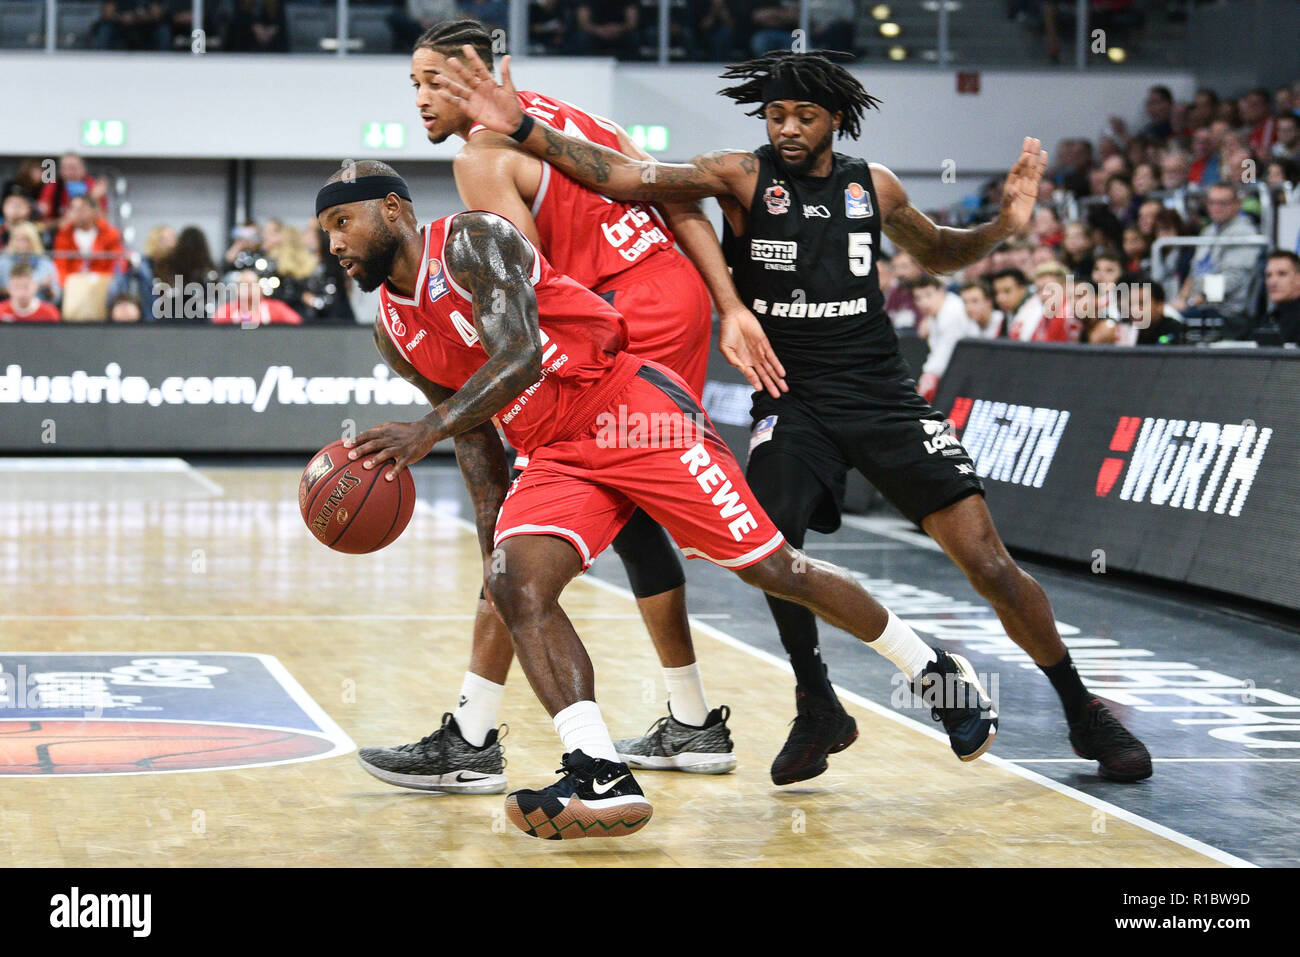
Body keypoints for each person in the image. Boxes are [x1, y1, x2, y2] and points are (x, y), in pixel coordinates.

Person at [437, 46, 1153, 781]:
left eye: (803, 116)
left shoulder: (873, 186)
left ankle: (1081, 707)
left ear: (836, 120)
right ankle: (817, 701)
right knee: (770, 550)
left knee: (990, 564)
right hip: (792, 398)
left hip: (882, 398)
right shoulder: (738, 175)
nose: (785, 128)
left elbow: (938, 253)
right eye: (775, 114)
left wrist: (1003, 225)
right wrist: (521, 127)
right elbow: (622, 176)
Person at [318, 163, 997, 838]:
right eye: (325, 232)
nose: (335, 244)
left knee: (774, 569)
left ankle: (934, 672)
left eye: (343, 222)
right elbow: (472, 436)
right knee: (516, 584)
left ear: (393, 208)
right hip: (555, 452)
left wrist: (425, 430)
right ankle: (597, 769)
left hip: (630, 411)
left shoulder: (471, 240)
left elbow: (520, 355)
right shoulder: (391, 329)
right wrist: (492, 542)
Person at [359, 19, 736, 791]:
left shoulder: (479, 157)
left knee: (529, 530)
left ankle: (476, 734)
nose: (422, 100)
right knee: (629, 520)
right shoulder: (570, 115)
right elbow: (677, 201)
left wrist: (463, 400)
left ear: (477, 73)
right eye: (415, 85)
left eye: (436, 81)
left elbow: (526, 294)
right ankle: (690, 719)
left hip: (620, 323)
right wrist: (727, 301)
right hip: (675, 297)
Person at [1173, 183, 1261, 339]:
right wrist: (1181, 299)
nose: (1216, 208)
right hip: (1201, 307)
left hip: (1228, 313)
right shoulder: (1208, 231)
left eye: (1223, 203)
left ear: (1236, 204)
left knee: (1171, 325)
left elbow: (1232, 281)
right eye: (1212, 202)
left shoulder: (1245, 234)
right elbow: (1194, 273)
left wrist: (1192, 301)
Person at [913, 274, 981, 402]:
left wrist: (927, 377)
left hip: (973, 371)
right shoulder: (936, 313)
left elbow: (944, 353)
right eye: (918, 298)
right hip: (959, 371)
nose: (924, 302)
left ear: (941, 292)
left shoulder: (952, 312)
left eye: (929, 295)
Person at [50, 195, 125, 287]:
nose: (77, 213)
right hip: (73, 281)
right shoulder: (64, 234)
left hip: (102, 280)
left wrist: (103, 280)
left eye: (82, 209)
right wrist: (65, 284)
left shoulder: (109, 233)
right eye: (73, 209)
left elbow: (115, 262)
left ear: (93, 211)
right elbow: (60, 265)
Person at [0, 222, 60, 302]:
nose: (22, 244)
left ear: (34, 241)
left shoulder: (45, 263)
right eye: (18, 239)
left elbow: (56, 297)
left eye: (26, 239)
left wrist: (48, 289)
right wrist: (35, 286)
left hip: (39, 305)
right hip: (9, 306)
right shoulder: (4, 262)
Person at [1256, 250, 1300, 345]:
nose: (1273, 282)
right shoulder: (1269, 319)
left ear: (1298, 278)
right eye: (1269, 275)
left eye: (1282, 274)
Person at [993, 267, 1044, 341]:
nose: (1000, 298)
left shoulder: (1038, 311)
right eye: (997, 293)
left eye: (1007, 291)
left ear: (1022, 289)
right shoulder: (1009, 313)